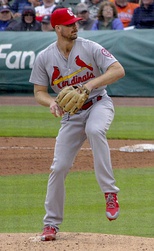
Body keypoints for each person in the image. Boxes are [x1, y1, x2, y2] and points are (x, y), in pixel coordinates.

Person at [29, 7, 125, 241]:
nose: (75, 26)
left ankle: (110, 193)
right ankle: (50, 224)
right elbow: (39, 91)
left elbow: (118, 70)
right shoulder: (45, 57)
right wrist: (51, 103)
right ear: (57, 28)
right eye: (70, 23)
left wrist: (89, 85)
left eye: (76, 23)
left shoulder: (90, 47)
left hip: (98, 103)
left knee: (95, 129)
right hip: (71, 115)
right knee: (59, 167)